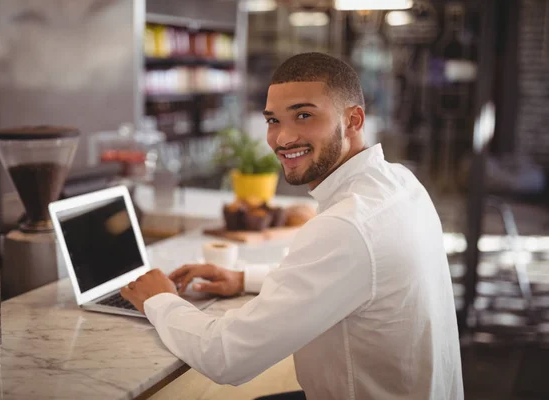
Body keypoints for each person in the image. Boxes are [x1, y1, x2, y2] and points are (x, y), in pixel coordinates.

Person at [121, 52, 464, 400]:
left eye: (304, 115)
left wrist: (160, 299)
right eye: (273, 120)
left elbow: (224, 356)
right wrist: (243, 279)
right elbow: (350, 274)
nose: (283, 138)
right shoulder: (402, 183)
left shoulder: (346, 226)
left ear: (354, 120)